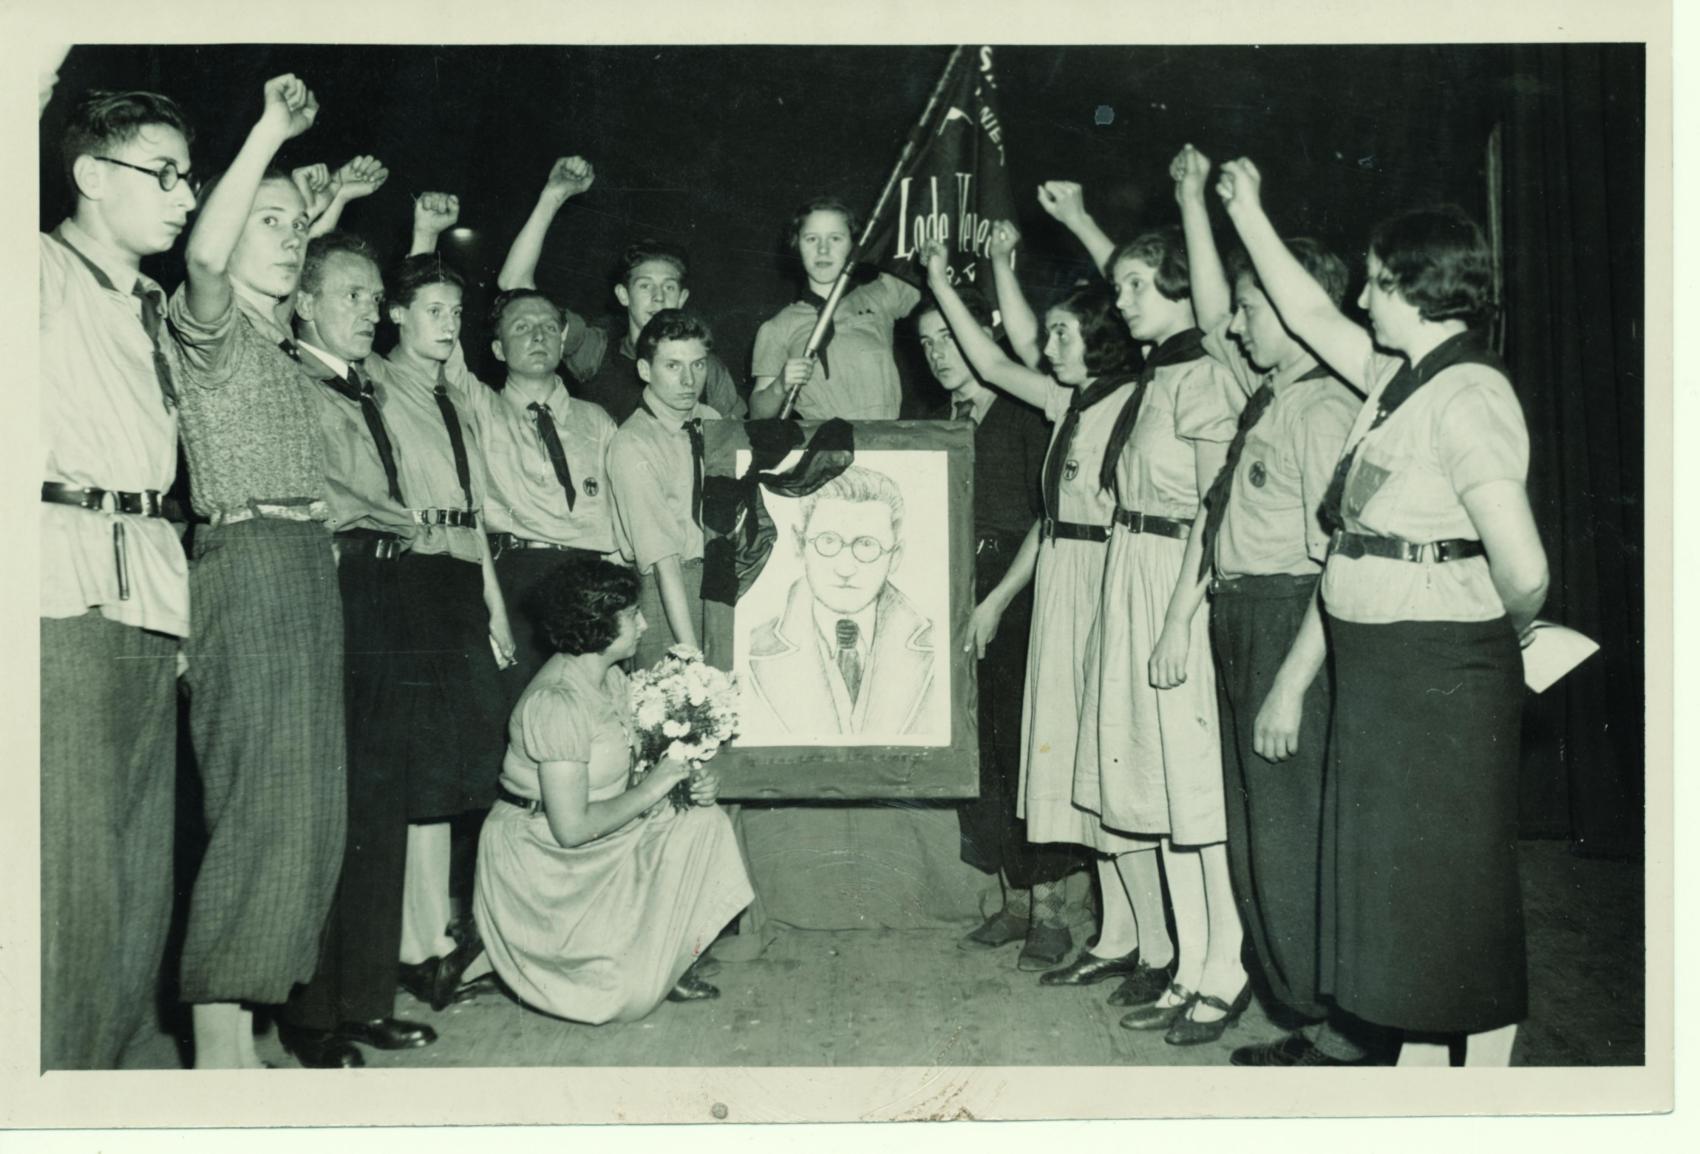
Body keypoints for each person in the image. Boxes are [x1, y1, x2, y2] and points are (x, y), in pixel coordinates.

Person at [1218, 157, 1549, 1067]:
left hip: (1441, 675)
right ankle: (1412, 1075)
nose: (1362, 296)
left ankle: (1482, 1094)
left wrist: (1500, 642)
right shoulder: (1397, 381)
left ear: (1413, 286)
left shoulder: (1470, 394)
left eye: (1376, 280)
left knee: (1454, 897)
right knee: (1402, 898)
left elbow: (1524, 566)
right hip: (1389, 673)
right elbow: (1310, 313)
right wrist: (1248, 210)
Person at [920, 237, 1176, 985]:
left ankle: (1135, 939)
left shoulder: (1133, 398)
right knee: (1062, 754)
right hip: (1061, 571)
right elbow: (998, 363)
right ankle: (1119, 935)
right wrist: (940, 278)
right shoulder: (1071, 400)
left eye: (1063, 334)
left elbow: (1009, 358)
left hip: (1102, 580)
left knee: (1103, 762)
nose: (1046, 345)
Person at [1168, 145, 1374, 1066]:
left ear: (1295, 316)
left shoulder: (1323, 409)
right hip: (1242, 615)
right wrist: (1192, 206)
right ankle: (1303, 1008)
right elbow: (1215, 314)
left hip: (1291, 620)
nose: (1240, 324)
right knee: (1261, 834)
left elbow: (1336, 565)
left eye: (1261, 309)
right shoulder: (1272, 391)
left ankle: (1333, 1029)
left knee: (1292, 836)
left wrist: (1292, 684)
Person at [166, 73, 346, 1069]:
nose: (287, 235)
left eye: (296, 225)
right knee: (257, 811)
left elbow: (287, 236)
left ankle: (254, 1029)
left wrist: (318, 203)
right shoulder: (212, 329)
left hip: (303, 568)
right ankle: (217, 1057)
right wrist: (267, 131)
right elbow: (204, 249)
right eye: (265, 220)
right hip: (248, 566)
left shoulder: (278, 342)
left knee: (306, 811)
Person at [39, 73, 197, 1071]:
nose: (185, 197)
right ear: (93, 174)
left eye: (191, 178)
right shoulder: (33, 272)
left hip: (148, 577)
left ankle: (126, 1066)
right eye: (166, 174)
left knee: (144, 849)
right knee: (70, 853)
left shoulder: (153, 305)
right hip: (57, 586)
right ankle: (53, 1069)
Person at [1069, 222, 1250, 1046]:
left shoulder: (1206, 376)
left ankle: (1228, 965)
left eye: (1138, 285)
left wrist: (1180, 619)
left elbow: (1218, 510)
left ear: (1180, 287)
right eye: (1119, 286)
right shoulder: (1160, 372)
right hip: (1135, 570)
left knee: (1196, 791)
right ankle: (1187, 963)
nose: (1121, 301)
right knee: (1159, 789)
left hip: (1179, 580)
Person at [474, 558, 753, 1023]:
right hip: (542, 859)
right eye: (632, 615)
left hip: (592, 843)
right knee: (625, 1001)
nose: (644, 624)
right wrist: (660, 784)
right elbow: (571, 829)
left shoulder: (612, 680)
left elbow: (623, 783)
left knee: (701, 822)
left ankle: (672, 958)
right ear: (597, 624)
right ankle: (494, 948)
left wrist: (686, 784)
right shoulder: (555, 702)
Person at [276, 231, 430, 1066]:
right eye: (350, 296)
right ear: (304, 301)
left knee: (379, 802)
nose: (370, 311)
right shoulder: (289, 381)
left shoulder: (365, 386)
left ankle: (365, 998)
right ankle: (309, 1016)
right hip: (334, 586)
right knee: (329, 804)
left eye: (376, 298)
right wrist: (384, 515)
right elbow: (310, 485)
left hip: (384, 589)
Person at [917, 288, 1087, 966]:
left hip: (1020, 594)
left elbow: (1049, 521)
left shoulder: (1025, 416)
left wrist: (995, 603)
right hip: (962, 595)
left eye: (947, 338)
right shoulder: (941, 420)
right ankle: (1013, 902)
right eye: (926, 344)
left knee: (1025, 747)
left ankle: (1050, 911)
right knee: (980, 750)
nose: (938, 354)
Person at [368, 242, 516, 1017]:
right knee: (421, 769)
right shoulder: (375, 384)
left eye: (455, 314)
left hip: (462, 574)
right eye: (432, 310)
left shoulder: (455, 397)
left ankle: (445, 933)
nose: (448, 325)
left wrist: (493, 604)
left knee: (463, 761)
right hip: (412, 575)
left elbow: (479, 512)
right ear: (395, 313)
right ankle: (414, 947)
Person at [497, 157, 744, 423]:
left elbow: (738, 439)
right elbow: (514, 285)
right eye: (645, 285)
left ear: (682, 298)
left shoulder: (707, 367)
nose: (658, 296)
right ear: (623, 295)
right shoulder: (596, 350)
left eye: (668, 287)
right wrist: (553, 196)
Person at [743, 465, 939, 739]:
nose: (846, 568)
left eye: (867, 544)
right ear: (800, 544)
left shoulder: (940, 645)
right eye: (828, 541)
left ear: (895, 556)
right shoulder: (750, 647)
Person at [607, 309, 722, 670]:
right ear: (645, 370)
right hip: (665, 591)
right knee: (679, 711)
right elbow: (664, 562)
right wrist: (691, 656)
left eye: (698, 365)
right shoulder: (632, 443)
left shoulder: (715, 422)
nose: (689, 380)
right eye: (673, 366)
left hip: (720, 586)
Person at [749, 196, 923, 420]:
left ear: (853, 244)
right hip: (823, 447)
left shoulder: (881, 295)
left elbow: (936, 280)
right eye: (811, 239)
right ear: (796, 244)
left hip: (884, 440)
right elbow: (756, 416)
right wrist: (779, 386)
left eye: (835, 238)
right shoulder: (777, 327)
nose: (823, 249)